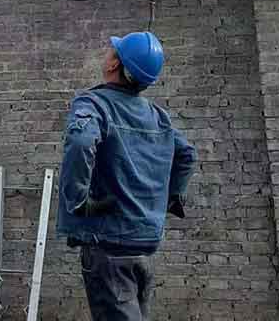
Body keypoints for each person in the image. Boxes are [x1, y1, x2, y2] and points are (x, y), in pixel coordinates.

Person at [57, 31, 197, 321]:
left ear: (114, 65)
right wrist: (168, 200)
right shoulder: (158, 116)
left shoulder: (94, 104)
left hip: (109, 246)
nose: (106, 54)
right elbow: (186, 154)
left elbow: (81, 141)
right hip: (144, 242)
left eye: (111, 52)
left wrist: (78, 201)